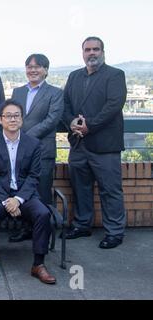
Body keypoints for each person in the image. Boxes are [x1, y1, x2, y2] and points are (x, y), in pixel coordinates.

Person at [0, 99, 56, 285]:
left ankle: (39, 264)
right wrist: (7, 200)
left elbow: (34, 176)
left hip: (24, 195)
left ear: (22, 119)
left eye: (16, 116)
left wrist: (18, 199)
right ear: (0, 120)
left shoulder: (33, 144)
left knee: (43, 213)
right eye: (8, 116)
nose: (12, 119)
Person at [62, 36, 127, 249]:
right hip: (79, 145)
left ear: (103, 51)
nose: (92, 53)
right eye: (88, 49)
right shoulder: (74, 76)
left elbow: (113, 105)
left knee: (110, 190)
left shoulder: (115, 75)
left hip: (105, 145)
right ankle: (82, 225)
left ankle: (115, 232)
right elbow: (66, 104)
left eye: (95, 49)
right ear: (82, 53)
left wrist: (89, 125)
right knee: (81, 187)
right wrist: (72, 122)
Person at [10, 54, 64, 242]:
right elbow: (11, 117)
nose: (33, 70)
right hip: (20, 152)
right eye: (29, 66)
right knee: (24, 191)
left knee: (41, 192)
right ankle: (26, 228)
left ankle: (43, 234)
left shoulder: (55, 93)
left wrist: (26, 136)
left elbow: (52, 121)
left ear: (46, 70)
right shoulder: (18, 92)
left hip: (43, 151)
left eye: (37, 67)